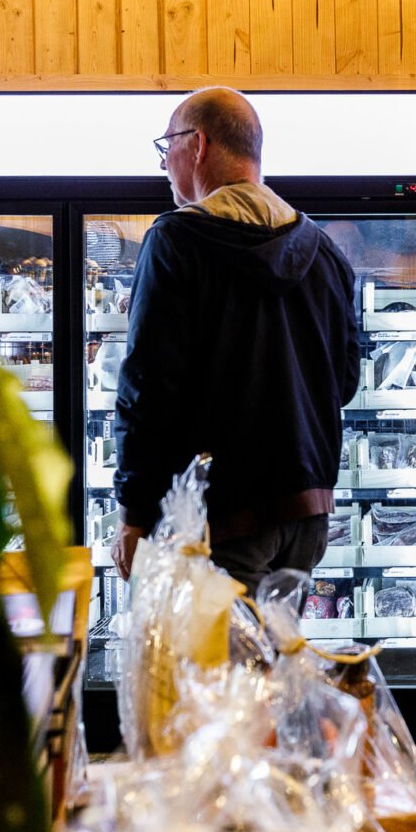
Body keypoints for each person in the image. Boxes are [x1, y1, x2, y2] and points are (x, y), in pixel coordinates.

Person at [111, 88, 361, 595]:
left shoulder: (175, 242)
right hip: (307, 516)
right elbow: (346, 383)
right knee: (272, 648)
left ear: (198, 144)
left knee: (216, 651)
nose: (164, 165)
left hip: (221, 520)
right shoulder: (323, 252)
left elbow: (148, 389)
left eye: (167, 147)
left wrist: (133, 515)